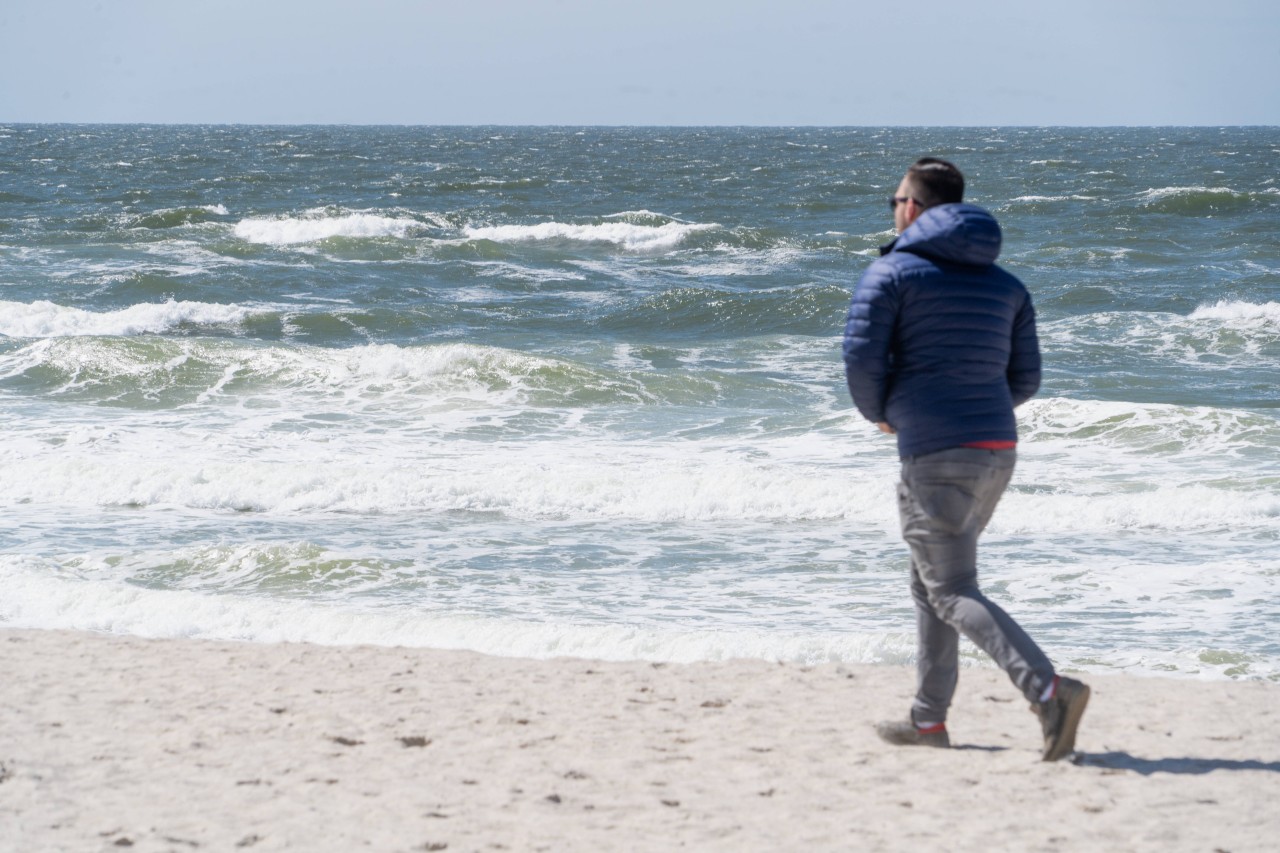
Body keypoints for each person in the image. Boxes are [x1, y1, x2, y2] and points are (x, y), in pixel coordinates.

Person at [842, 157, 1089, 761]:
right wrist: (976, 411)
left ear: (915, 209)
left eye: (896, 200)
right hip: (996, 449)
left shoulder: (892, 272)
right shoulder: (1007, 284)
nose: (893, 210)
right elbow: (1025, 378)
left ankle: (1049, 690)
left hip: (935, 450)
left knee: (950, 586)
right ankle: (928, 721)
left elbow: (861, 358)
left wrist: (884, 413)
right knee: (932, 582)